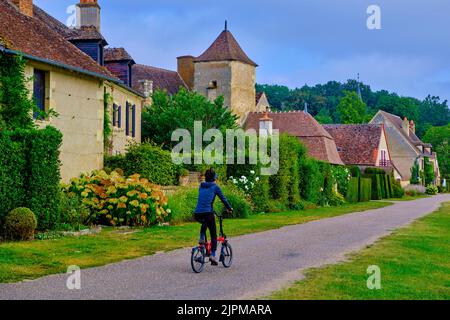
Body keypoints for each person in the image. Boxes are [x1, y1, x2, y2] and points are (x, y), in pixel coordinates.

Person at [194, 168, 233, 265]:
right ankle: (212, 254)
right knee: (213, 234)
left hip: (197, 213)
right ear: (214, 178)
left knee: (205, 223)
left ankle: (202, 239)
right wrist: (229, 208)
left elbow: (204, 199)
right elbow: (223, 199)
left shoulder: (201, 186)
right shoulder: (215, 187)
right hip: (208, 212)